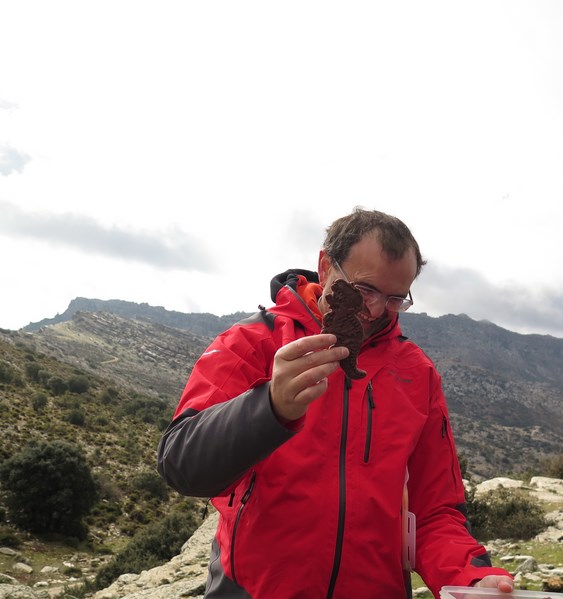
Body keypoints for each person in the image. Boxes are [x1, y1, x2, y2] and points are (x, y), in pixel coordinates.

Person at [157, 208, 514, 598]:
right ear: (325, 267)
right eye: (364, 290)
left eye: (395, 298)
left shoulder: (417, 373)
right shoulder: (252, 341)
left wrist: (470, 577)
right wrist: (270, 408)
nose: (376, 310)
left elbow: (435, 512)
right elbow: (182, 465)